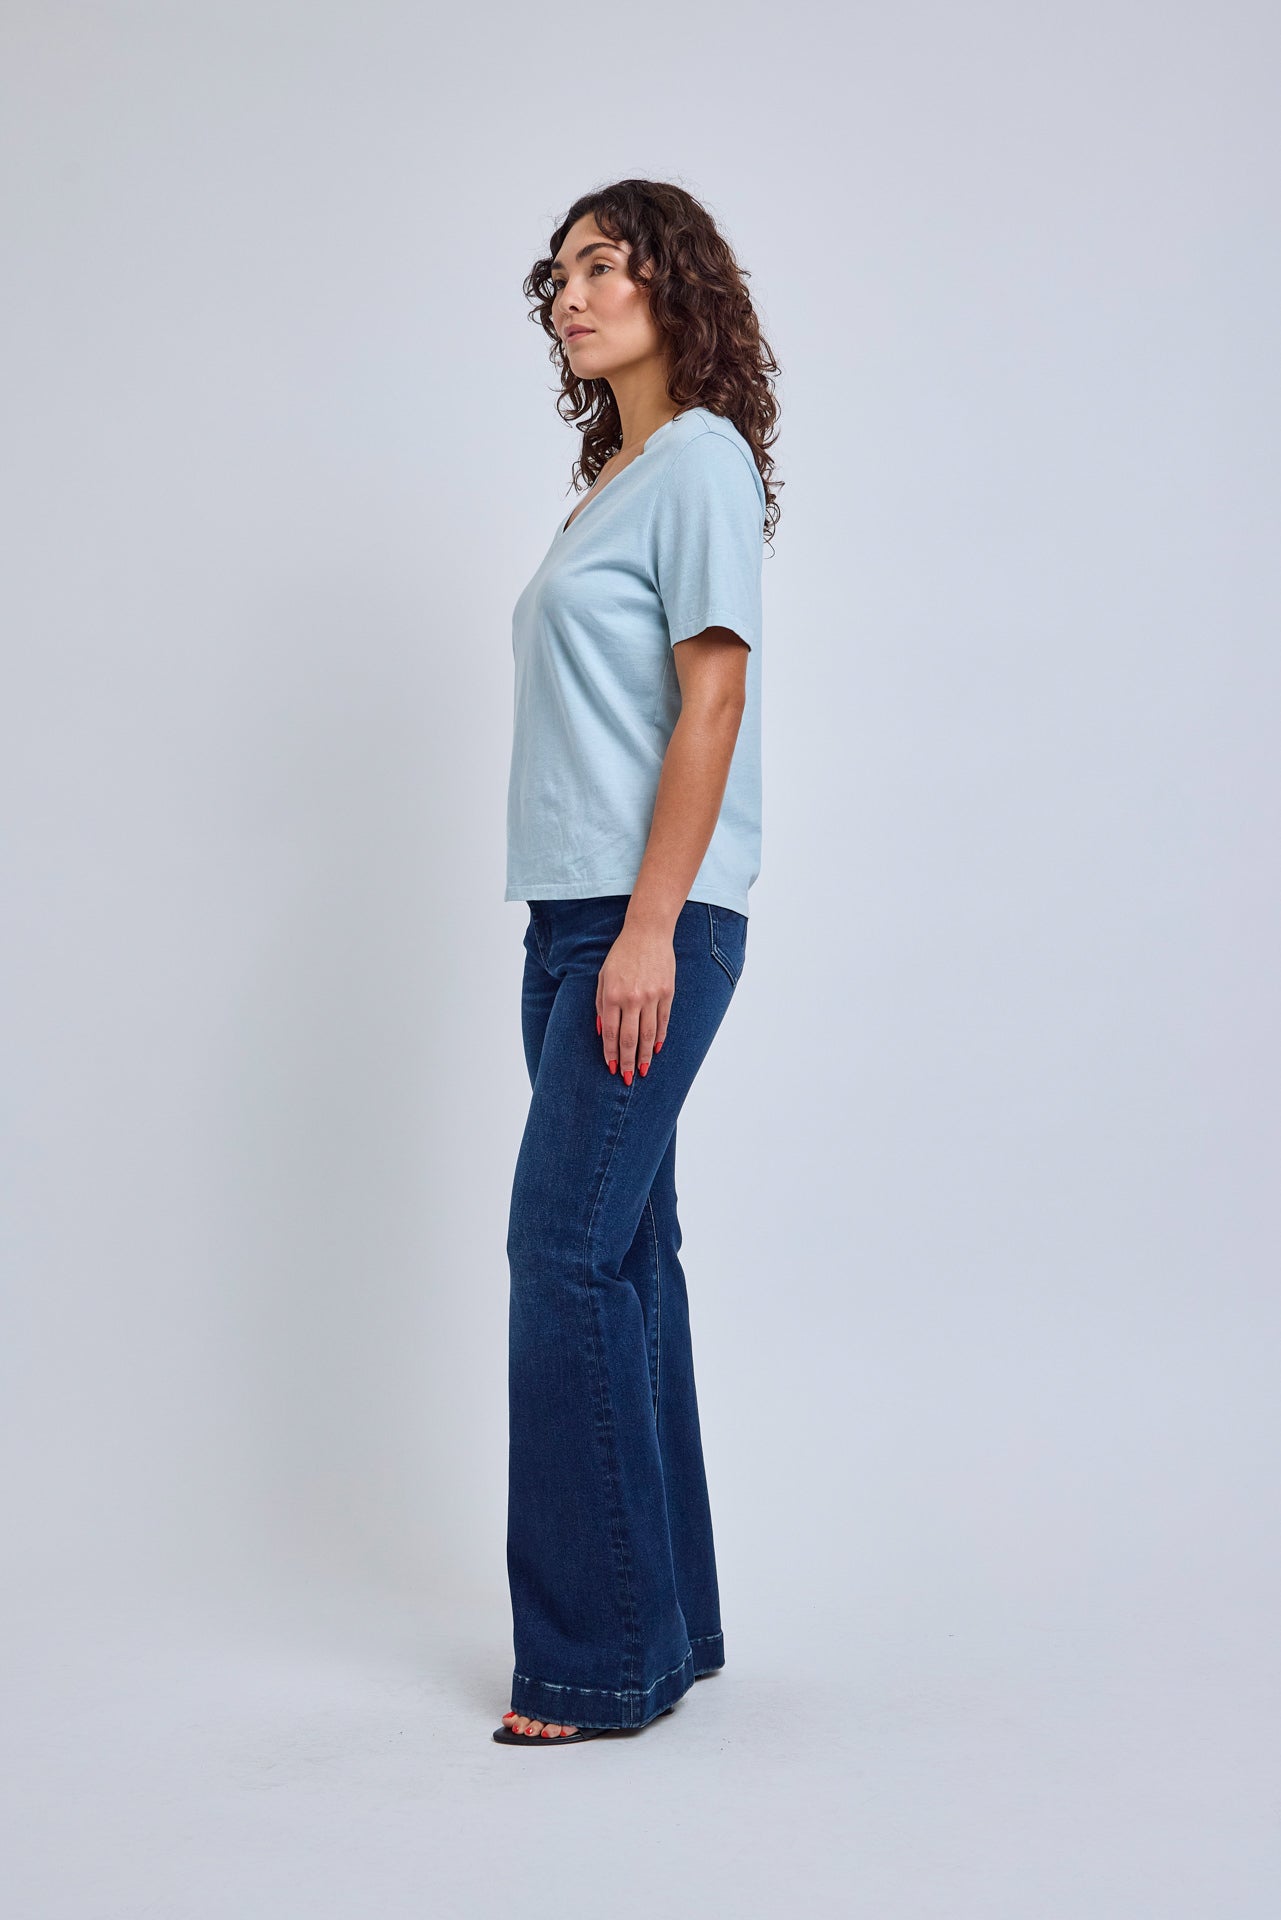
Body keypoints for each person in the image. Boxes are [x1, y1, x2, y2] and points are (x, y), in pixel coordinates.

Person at [492, 179, 782, 1746]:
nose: (571, 293)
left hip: (639, 919)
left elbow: (712, 701)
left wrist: (654, 929)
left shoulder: (700, 459)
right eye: (558, 274)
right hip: (568, 921)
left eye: (605, 264)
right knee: (623, 1258)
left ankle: (594, 1660)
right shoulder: (610, 477)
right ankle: (666, 1627)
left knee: (563, 1254)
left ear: (677, 283)